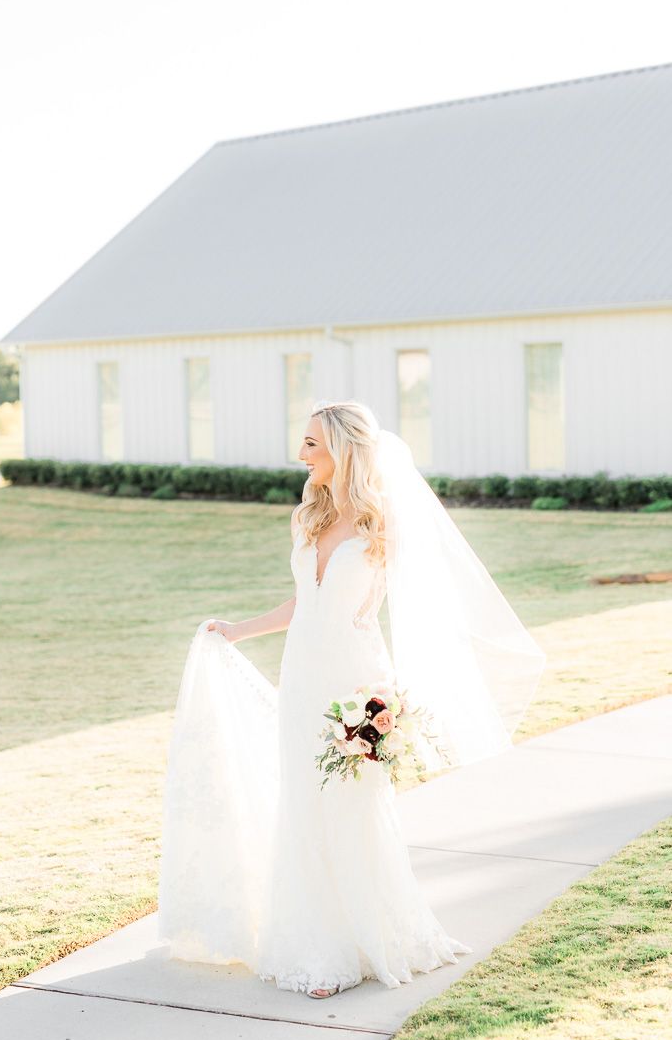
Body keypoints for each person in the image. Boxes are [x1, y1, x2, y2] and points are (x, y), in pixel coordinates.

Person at [157, 399, 545, 998]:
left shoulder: (383, 521)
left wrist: (389, 702)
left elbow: (418, 608)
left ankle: (364, 942)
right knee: (304, 809)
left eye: (312, 443)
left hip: (357, 686)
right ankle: (315, 945)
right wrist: (236, 630)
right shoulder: (306, 517)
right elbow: (303, 606)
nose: (301, 453)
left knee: (352, 812)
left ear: (344, 450)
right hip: (303, 682)